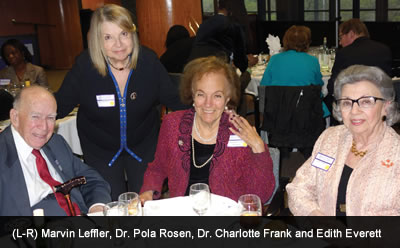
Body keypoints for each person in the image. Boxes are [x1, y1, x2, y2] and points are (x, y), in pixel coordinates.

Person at [55, 4, 187, 200]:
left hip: (143, 144)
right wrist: (28, 116)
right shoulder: (85, 66)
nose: (118, 44)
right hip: (100, 148)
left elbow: (176, 100)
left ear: (132, 33)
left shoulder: (148, 62)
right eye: (108, 37)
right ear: (97, 41)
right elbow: (59, 105)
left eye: (123, 34)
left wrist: (210, 111)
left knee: (147, 204)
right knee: (109, 204)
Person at [139, 56, 275, 204]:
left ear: (227, 98)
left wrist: (259, 149)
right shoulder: (172, 125)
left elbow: (261, 195)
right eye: (201, 94)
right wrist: (148, 192)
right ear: (192, 94)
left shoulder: (239, 132)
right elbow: (157, 168)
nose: (208, 104)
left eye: (217, 96)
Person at [287, 65, 400, 216]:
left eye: (366, 102)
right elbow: (299, 189)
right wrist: (316, 218)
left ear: (386, 106)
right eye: (346, 102)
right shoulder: (330, 138)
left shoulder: (396, 154)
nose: (354, 111)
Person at [0, 86, 111, 216]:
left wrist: (96, 209)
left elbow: (91, 180)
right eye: (35, 116)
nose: (44, 127)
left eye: (51, 118)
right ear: (15, 117)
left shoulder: (55, 143)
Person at [260, 25, 329, 158]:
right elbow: (318, 88)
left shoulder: (274, 60)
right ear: (307, 42)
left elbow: (264, 88)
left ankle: (282, 151)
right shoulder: (312, 61)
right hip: (307, 116)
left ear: (285, 41)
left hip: (279, 117)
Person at [325, 18, 392, 117]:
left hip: (353, 107)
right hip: (379, 106)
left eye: (341, 37)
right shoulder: (384, 50)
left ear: (351, 34)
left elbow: (332, 86)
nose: (340, 42)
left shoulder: (344, 53)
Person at [188, 0, 248, 73]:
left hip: (193, 71)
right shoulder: (233, 25)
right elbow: (241, 64)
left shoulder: (204, 24)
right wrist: (248, 63)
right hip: (214, 73)